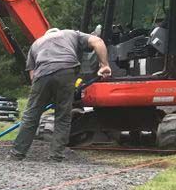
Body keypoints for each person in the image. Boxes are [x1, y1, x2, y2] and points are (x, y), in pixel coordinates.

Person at [11, 28, 112, 161]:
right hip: (67, 69)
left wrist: (43, 96)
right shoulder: (71, 34)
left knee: (31, 116)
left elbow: (33, 75)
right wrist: (104, 65)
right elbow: (98, 41)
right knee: (63, 116)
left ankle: (17, 154)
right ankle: (56, 156)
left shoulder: (36, 43)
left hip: (42, 74)